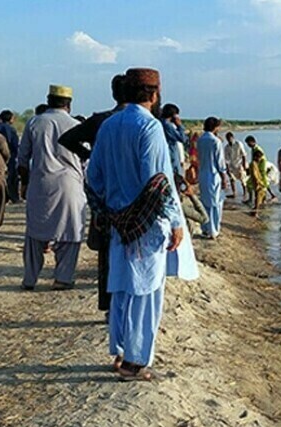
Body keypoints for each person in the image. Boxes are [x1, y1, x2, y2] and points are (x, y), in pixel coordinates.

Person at [87, 67, 198, 380]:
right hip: (146, 225)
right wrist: (176, 222)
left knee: (121, 287)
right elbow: (158, 182)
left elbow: (92, 177)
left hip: (117, 222)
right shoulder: (149, 127)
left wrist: (106, 209)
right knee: (146, 291)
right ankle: (136, 362)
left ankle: (121, 352)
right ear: (154, 94)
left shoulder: (108, 126)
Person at [58, 74, 129, 316]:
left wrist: (90, 156)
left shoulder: (101, 120)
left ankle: (109, 307)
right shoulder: (143, 121)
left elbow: (67, 139)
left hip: (105, 195)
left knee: (107, 254)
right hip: (132, 196)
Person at [17, 84, 86, 291]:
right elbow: (85, 159)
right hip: (70, 184)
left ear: (48, 100)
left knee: (35, 232)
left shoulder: (35, 123)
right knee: (71, 232)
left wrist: (24, 183)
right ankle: (62, 278)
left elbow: (22, 159)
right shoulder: (76, 125)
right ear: (69, 104)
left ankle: (30, 279)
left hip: (41, 183)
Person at [197, 117, 228, 239]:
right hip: (213, 174)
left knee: (205, 202)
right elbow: (220, 162)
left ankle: (205, 227)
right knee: (215, 204)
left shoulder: (200, 140)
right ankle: (213, 229)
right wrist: (224, 176)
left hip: (203, 173)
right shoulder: (216, 141)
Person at [0, 110, 21, 203]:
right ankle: (13, 197)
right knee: (12, 177)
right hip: (10, 156)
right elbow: (14, 144)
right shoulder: (10, 129)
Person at [160, 103, 187, 176]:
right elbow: (182, 138)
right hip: (171, 155)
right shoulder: (167, 125)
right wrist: (179, 126)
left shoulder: (160, 122)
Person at [243, 135, 267, 207]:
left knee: (260, 187)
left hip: (260, 169)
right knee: (254, 186)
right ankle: (257, 201)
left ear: (253, 142)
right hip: (256, 169)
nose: (248, 145)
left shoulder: (257, 149)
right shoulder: (253, 149)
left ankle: (261, 202)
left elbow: (261, 159)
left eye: (248, 143)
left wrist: (255, 170)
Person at [223, 131, 247, 200]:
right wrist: (227, 169)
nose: (229, 140)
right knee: (232, 179)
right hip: (232, 165)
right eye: (227, 139)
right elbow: (226, 159)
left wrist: (244, 165)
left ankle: (245, 193)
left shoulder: (238, 144)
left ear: (233, 138)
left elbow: (243, 155)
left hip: (239, 164)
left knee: (243, 180)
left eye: (230, 138)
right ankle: (234, 193)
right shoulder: (226, 147)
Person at [248, 148, 267, 217]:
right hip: (257, 183)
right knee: (258, 197)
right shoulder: (253, 164)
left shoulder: (254, 163)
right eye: (259, 158)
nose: (260, 160)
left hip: (257, 182)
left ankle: (255, 210)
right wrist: (260, 183)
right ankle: (256, 211)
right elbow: (255, 175)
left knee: (259, 197)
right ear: (256, 157)